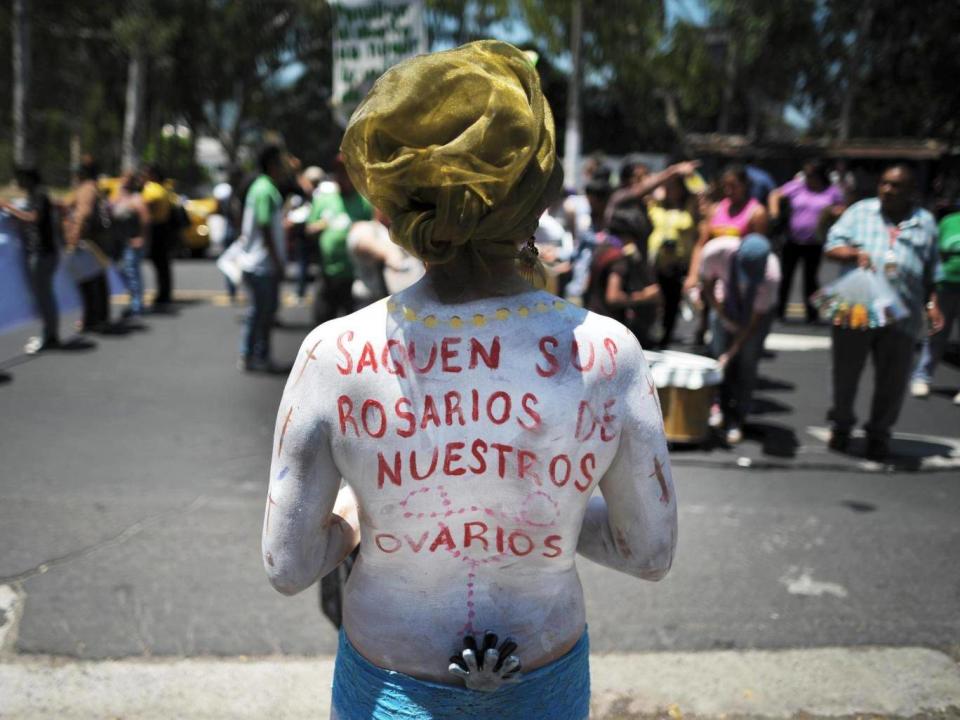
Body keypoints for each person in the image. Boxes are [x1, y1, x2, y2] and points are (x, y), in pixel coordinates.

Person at [262, 40, 676, 720]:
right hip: (543, 673)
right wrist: (541, 518)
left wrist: (352, 517)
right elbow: (649, 551)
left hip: (391, 676)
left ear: (393, 202)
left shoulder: (333, 353)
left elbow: (288, 564)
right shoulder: (609, 352)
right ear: (539, 192)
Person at [824, 164, 943, 461]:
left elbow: (933, 270)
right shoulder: (860, 212)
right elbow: (831, 246)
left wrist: (933, 304)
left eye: (896, 186)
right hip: (858, 308)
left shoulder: (925, 222)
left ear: (910, 191)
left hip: (903, 313)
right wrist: (854, 253)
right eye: (884, 183)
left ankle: (879, 433)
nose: (888, 190)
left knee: (893, 380)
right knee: (846, 372)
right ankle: (841, 426)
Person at [699, 234, 781, 444]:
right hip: (723, 303)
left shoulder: (771, 275)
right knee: (716, 362)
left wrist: (732, 351)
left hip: (753, 315)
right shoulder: (715, 251)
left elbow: (753, 323)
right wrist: (721, 314)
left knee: (746, 363)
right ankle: (716, 408)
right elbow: (706, 284)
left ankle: (738, 418)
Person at [769, 159, 845, 322]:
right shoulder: (798, 186)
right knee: (785, 276)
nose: (808, 178)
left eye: (811, 175)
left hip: (814, 242)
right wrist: (774, 214)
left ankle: (812, 314)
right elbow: (775, 194)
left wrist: (834, 212)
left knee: (811, 279)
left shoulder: (831, 192)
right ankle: (779, 312)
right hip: (792, 240)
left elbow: (842, 208)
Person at [237, 145, 287, 372]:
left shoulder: (261, 187)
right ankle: (257, 355)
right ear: (271, 165)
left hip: (255, 261)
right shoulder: (265, 189)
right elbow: (265, 225)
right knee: (263, 312)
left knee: (259, 311)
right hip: (262, 264)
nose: (283, 167)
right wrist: (277, 260)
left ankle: (251, 354)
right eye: (280, 163)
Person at [308, 155, 373, 325]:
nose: (343, 177)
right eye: (339, 172)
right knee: (322, 323)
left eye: (347, 172)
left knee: (354, 326)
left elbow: (373, 232)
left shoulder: (365, 203)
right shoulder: (324, 200)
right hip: (327, 274)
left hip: (354, 276)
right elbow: (310, 227)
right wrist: (317, 227)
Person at [1, 167, 60, 352]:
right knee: (45, 296)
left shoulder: (39, 195)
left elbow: (33, 217)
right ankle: (50, 333)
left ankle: (49, 336)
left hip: (42, 253)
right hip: (44, 253)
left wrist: (7, 207)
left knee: (43, 296)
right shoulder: (39, 194)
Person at [586, 207, 662, 347]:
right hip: (608, 325)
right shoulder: (618, 258)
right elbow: (613, 297)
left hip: (592, 318)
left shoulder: (602, 248)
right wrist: (646, 296)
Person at [910, 210, 960, 403]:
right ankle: (922, 377)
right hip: (945, 286)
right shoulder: (949, 221)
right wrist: (931, 294)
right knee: (937, 333)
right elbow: (934, 257)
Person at [647, 175, 700, 347]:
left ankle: (665, 337)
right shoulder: (655, 205)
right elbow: (645, 188)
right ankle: (650, 333)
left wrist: (687, 174)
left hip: (677, 264)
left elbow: (701, 190)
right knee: (652, 300)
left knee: (672, 302)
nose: (670, 191)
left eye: (674, 187)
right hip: (655, 264)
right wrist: (668, 174)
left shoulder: (691, 207)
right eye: (667, 187)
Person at [64, 156, 111, 333]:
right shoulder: (92, 188)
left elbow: (83, 212)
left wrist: (74, 236)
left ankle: (93, 318)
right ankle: (98, 317)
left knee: (88, 281)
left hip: (87, 242)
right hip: (94, 241)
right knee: (96, 279)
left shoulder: (87, 189)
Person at [110, 171, 151, 318]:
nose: (124, 182)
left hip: (132, 242)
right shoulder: (118, 197)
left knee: (132, 272)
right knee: (121, 271)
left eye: (127, 180)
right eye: (123, 179)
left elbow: (145, 219)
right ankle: (133, 300)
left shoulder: (136, 199)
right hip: (119, 242)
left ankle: (137, 305)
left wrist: (141, 237)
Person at [142, 164, 175, 311]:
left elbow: (147, 206)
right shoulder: (165, 189)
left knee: (159, 263)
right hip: (164, 228)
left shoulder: (152, 189)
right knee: (163, 264)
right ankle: (165, 292)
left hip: (156, 229)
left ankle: (163, 294)